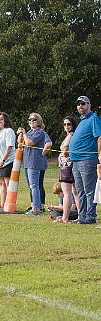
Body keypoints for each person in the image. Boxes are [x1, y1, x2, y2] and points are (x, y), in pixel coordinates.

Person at [69, 95, 101, 224]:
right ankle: (82, 217)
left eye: (83, 103)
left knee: (89, 190)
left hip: (87, 160)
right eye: (78, 104)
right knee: (80, 191)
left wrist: (99, 154)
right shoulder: (82, 121)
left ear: (89, 105)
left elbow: (99, 137)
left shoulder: (94, 119)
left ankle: (90, 216)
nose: (80, 106)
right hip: (76, 160)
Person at [18, 113, 52, 215]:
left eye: (34, 119)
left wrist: (24, 134)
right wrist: (20, 135)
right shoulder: (29, 132)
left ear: (39, 121)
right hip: (27, 162)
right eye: (30, 120)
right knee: (31, 186)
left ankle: (36, 209)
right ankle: (34, 206)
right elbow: (21, 144)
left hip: (34, 162)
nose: (31, 121)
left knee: (34, 185)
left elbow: (29, 143)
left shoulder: (39, 132)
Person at [56, 116, 80, 223]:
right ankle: (81, 216)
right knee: (75, 192)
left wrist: (63, 149)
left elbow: (64, 148)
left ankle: (65, 218)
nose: (66, 126)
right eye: (64, 124)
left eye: (69, 124)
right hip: (69, 166)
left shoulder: (71, 135)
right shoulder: (72, 135)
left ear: (73, 125)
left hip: (67, 166)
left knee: (68, 193)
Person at [0, 112, 16, 211]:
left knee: (7, 182)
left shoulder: (9, 131)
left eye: (1, 119)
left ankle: (9, 204)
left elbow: (9, 147)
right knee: (1, 183)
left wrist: (3, 160)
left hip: (7, 161)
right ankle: (2, 205)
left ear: (5, 120)